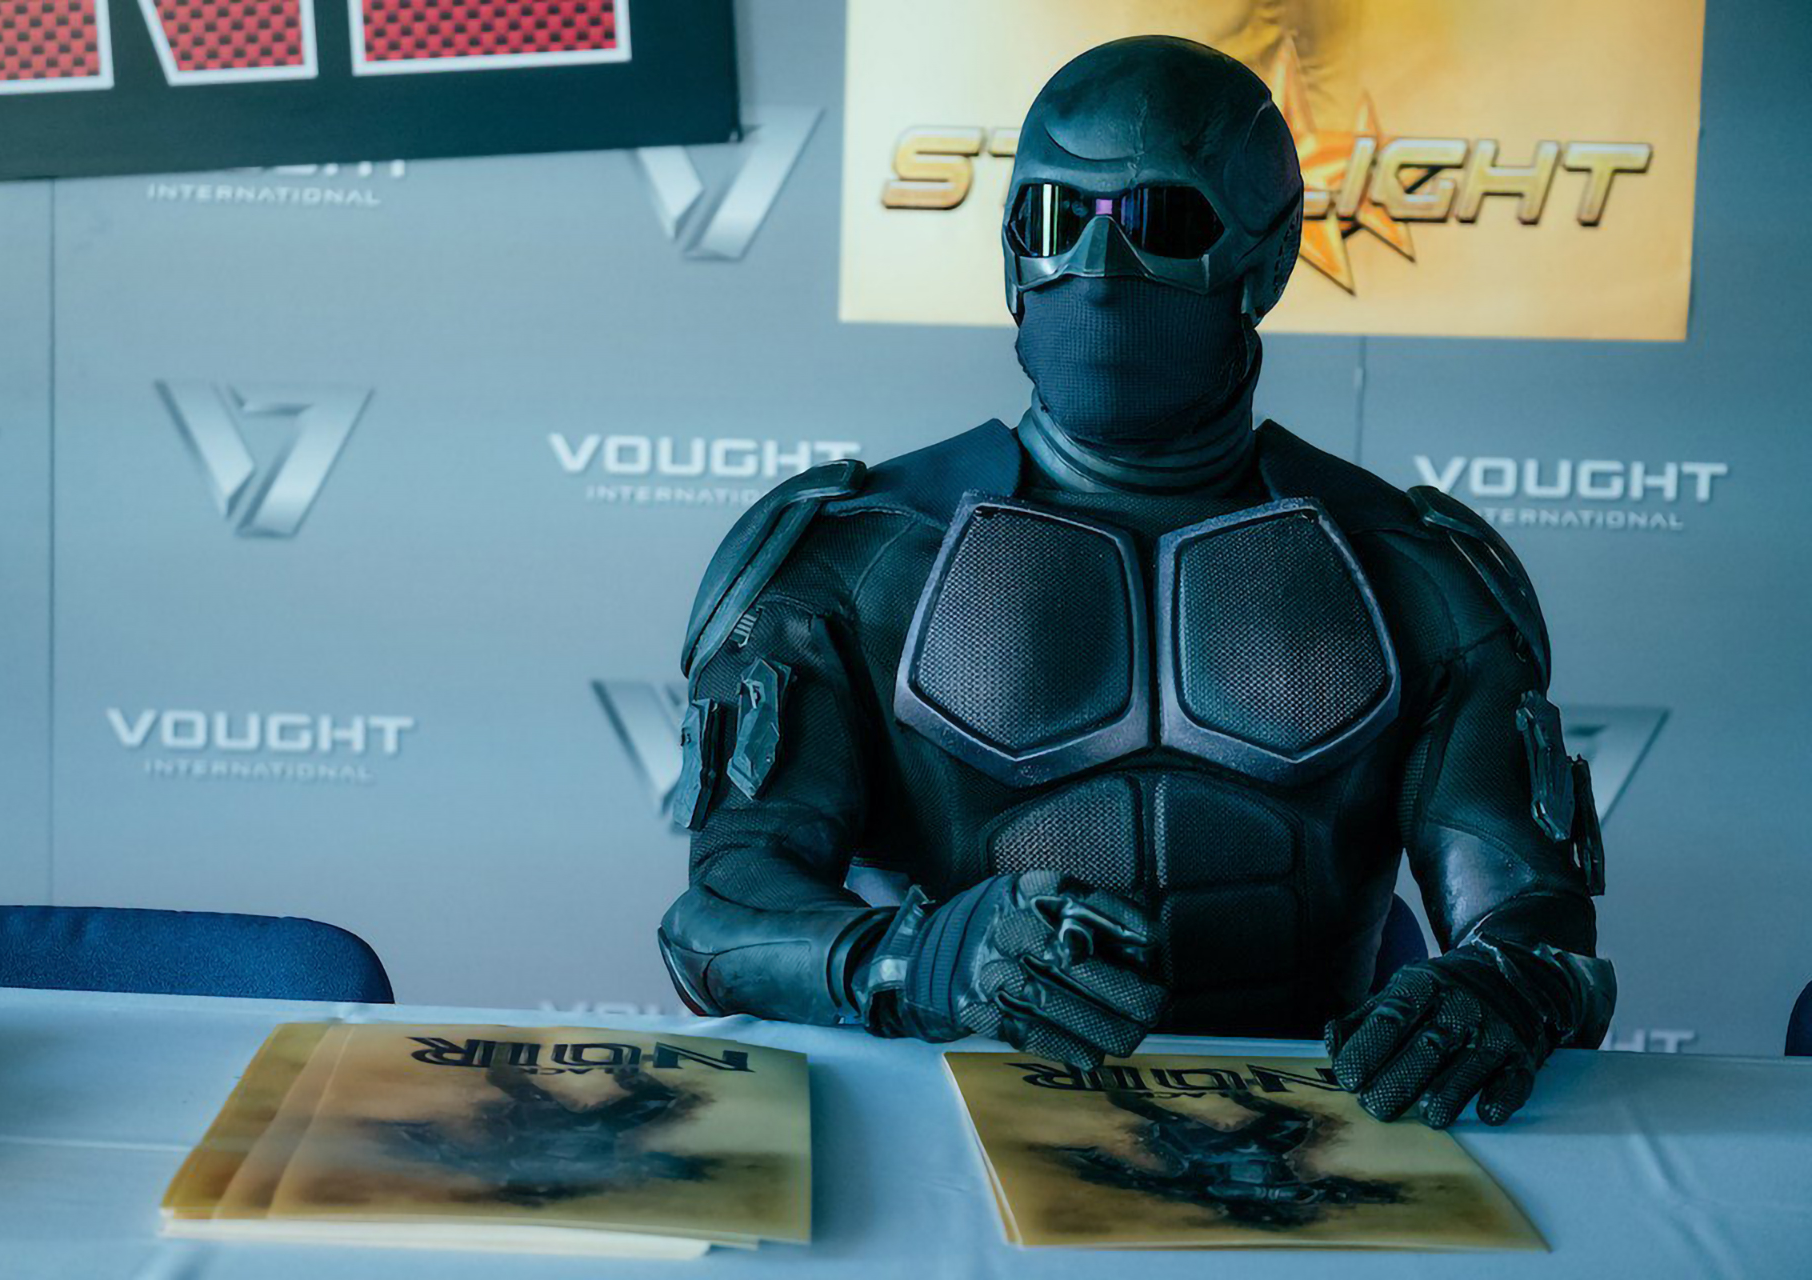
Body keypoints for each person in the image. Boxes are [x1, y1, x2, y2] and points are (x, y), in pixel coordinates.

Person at [657, 35, 1613, 1128]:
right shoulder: (855, 556)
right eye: (1055, 219)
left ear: (1266, 263)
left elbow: (1536, 923)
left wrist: (1503, 988)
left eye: (1161, 220)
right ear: (1010, 253)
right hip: (947, 1128)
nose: (1097, 265)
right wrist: (917, 958)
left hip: (1309, 1136)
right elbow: (717, 919)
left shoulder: (1418, 573)